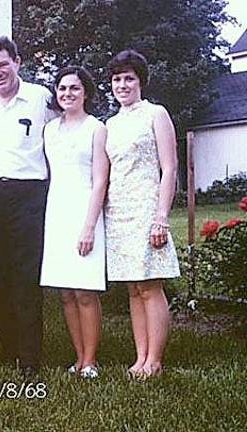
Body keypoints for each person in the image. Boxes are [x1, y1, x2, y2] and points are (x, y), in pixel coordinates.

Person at [0, 36, 54, 378]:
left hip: (29, 194)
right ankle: (7, 347)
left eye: (3, 64)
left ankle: (30, 356)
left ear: (18, 61)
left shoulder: (41, 97)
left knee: (26, 275)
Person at [105, 49, 180, 379]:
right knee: (133, 288)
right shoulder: (110, 123)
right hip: (118, 211)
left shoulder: (156, 114)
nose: (122, 85)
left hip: (147, 208)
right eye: (117, 79)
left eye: (129, 79)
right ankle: (140, 358)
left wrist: (161, 215)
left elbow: (170, 167)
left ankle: (156, 360)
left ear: (140, 81)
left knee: (151, 286)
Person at [40, 66, 109, 379]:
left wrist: (89, 226)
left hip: (85, 212)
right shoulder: (50, 130)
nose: (67, 94)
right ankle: (79, 357)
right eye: (62, 88)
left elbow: (99, 181)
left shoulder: (96, 129)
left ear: (86, 93)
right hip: (57, 212)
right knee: (66, 293)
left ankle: (92, 360)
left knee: (85, 291)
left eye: (74, 88)